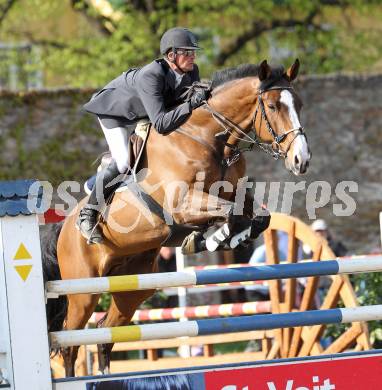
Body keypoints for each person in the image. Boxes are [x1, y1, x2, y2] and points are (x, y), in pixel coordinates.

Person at [77, 27, 209, 244]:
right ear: (171, 55)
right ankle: (88, 213)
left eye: (193, 52)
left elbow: (183, 104)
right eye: (187, 52)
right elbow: (162, 123)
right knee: (122, 164)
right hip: (115, 112)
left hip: (145, 112)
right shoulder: (152, 75)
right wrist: (190, 105)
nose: (192, 56)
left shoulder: (191, 71)